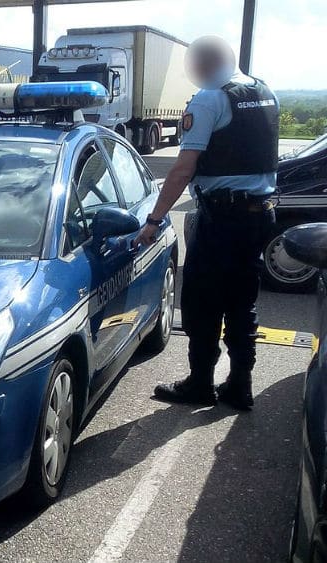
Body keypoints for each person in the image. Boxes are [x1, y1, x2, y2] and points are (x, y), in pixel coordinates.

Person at [134, 36, 279, 411]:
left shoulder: (210, 98)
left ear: (203, 65)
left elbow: (183, 168)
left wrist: (153, 220)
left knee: (201, 303)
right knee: (241, 300)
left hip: (223, 219)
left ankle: (200, 384)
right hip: (261, 214)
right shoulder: (263, 90)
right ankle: (239, 386)